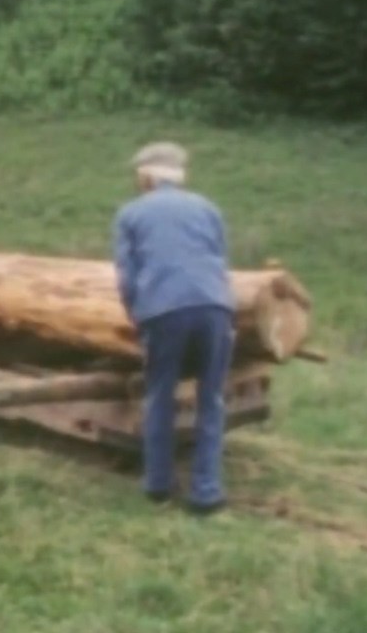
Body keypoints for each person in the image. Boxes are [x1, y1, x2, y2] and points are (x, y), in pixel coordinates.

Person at [111, 142, 235, 516]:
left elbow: (127, 276)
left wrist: (136, 314)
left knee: (161, 395)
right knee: (211, 398)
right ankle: (206, 492)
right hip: (215, 307)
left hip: (164, 310)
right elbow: (219, 260)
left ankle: (158, 485)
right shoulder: (208, 208)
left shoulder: (131, 213)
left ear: (146, 177)